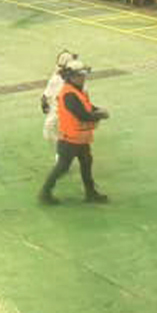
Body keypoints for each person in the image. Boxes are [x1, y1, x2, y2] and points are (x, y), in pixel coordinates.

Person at [38, 60, 109, 205]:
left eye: (83, 75)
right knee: (62, 168)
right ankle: (45, 193)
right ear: (70, 77)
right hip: (70, 140)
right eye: (79, 75)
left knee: (86, 163)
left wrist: (97, 110)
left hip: (80, 139)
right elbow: (82, 114)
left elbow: (87, 106)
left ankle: (90, 193)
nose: (82, 78)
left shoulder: (77, 91)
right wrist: (100, 115)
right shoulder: (69, 94)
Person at [41, 51, 77, 151]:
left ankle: (63, 152)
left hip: (66, 114)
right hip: (56, 113)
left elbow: (45, 96)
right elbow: (45, 95)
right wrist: (44, 105)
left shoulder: (73, 80)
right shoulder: (56, 79)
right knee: (49, 133)